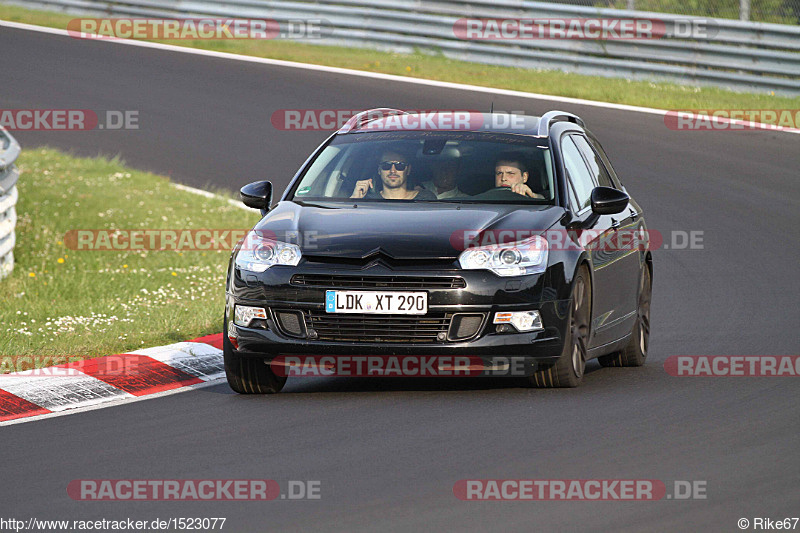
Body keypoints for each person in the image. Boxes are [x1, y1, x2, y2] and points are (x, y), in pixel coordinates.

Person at [351, 150, 437, 200]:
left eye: (400, 166)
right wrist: (354, 199)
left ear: (408, 170)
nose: (393, 170)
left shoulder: (426, 198)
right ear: (379, 170)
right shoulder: (369, 201)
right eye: (386, 165)